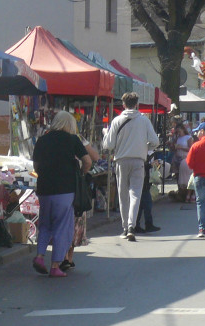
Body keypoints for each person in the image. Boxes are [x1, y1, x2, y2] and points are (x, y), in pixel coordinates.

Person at [31, 110, 91, 277]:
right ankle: (55, 265)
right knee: (62, 226)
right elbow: (87, 161)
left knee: (44, 223)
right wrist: (81, 174)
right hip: (65, 189)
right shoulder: (72, 140)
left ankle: (39, 256)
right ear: (70, 124)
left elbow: (36, 166)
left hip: (44, 189)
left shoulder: (42, 140)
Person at [102, 92, 158, 241]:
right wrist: (144, 146)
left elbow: (109, 145)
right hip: (138, 161)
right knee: (136, 194)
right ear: (137, 104)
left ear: (124, 104)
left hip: (121, 160)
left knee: (123, 195)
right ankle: (132, 225)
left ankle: (125, 227)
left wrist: (105, 134)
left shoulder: (117, 121)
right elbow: (155, 141)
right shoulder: (144, 121)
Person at [66, 132, 101, 270]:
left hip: (57, 185)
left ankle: (62, 257)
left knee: (64, 219)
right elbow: (93, 158)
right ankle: (69, 257)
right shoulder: (77, 138)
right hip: (75, 185)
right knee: (76, 217)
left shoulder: (50, 136)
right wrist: (82, 173)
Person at [133, 151, 160, 233]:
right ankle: (146, 224)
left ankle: (137, 225)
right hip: (142, 183)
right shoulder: (140, 154)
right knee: (147, 205)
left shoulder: (145, 153)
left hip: (144, 183)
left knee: (141, 206)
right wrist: (150, 165)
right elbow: (142, 166)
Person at [172, 123, 194, 202]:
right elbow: (173, 148)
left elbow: (191, 149)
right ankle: (181, 193)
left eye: (179, 131)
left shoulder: (188, 138)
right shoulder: (177, 138)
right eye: (177, 132)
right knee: (178, 176)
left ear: (183, 130)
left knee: (186, 177)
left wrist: (181, 147)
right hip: (177, 158)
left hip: (185, 159)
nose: (178, 133)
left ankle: (187, 194)